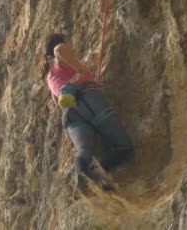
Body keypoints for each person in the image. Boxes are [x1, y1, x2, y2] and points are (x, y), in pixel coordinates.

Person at [41, 33, 134, 192]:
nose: (70, 45)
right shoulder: (60, 52)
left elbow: (59, 103)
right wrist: (79, 69)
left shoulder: (49, 78)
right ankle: (99, 169)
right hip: (89, 100)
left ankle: (84, 174)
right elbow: (60, 51)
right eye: (68, 41)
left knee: (84, 150)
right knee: (124, 148)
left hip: (71, 116)